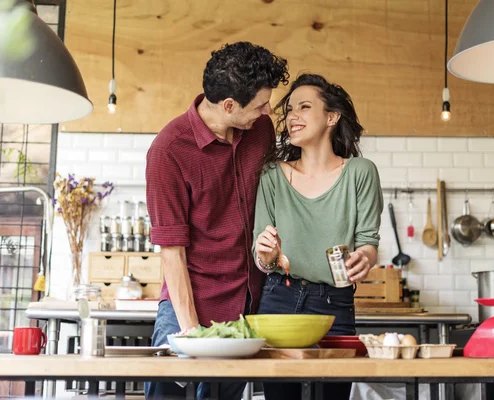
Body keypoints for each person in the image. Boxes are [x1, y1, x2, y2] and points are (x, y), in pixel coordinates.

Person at [144, 41, 289, 400]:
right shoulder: (169, 151)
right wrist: (193, 334)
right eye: (260, 104)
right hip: (188, 308)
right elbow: (172, 253)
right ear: (228, 106)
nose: (268, 110)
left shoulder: (260, 130)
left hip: (243, 312)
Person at [253, 73, 384, 400]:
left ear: (331, 116)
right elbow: (261, 253)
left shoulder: (360, 172)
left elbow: (368, 241)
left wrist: (364, 259)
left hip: (334, 306)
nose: (292, 116)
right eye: (290, 110)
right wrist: (266, 253)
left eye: (304, 107)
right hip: (278, 300)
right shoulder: (272, 175)